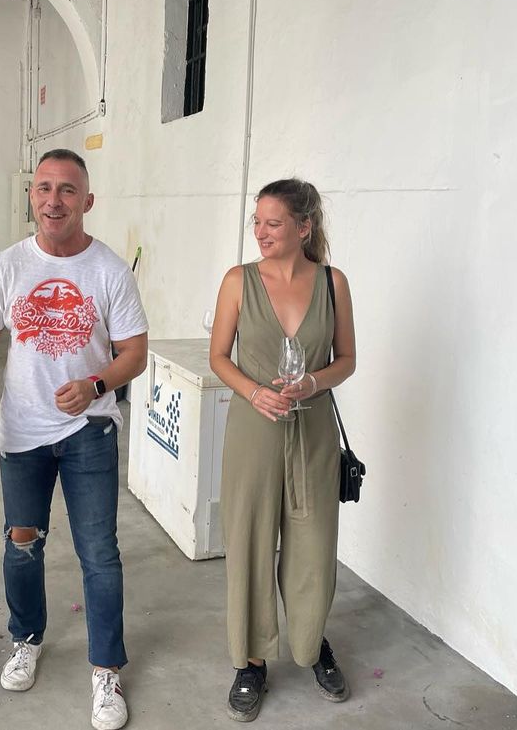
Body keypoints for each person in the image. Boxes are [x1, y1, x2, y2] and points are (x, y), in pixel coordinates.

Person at [0, 148, 148, 730]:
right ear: (31, 197)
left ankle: (106, 669)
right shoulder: (9, 265)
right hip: (23, 432)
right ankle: (26, 639)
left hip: (90, 430)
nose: (53, 200)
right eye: (43, 188)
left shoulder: (109, 270)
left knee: (99, 553)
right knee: (21, 543)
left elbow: (134, 353)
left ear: (87, 201)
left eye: (67, 190)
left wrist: (95, 385)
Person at [208, 178, 356, 722]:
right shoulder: (238, 281)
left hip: (313, 432)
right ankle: (250, 662)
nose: (261, 232)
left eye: (273, 223)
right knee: (248, 540)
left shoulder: (333, 283)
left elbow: (347, 360)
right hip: (255, 429)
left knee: (313, 545)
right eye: (257, 222)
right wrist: (254, 392)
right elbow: (219, 356)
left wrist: (314, 383)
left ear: (304, 227)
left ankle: (312, 644)